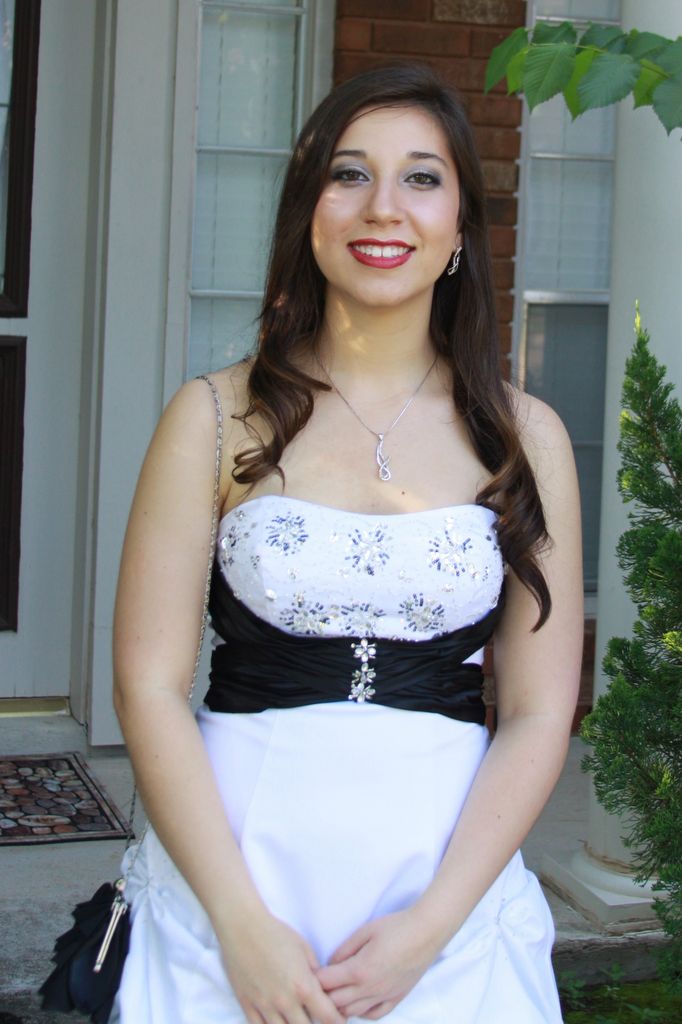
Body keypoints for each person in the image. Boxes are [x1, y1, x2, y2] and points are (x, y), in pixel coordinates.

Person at [111, 64, 583, 1024]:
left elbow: (539, 713)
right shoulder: (213, 418)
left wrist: (433, 928)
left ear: (461, 224)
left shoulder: (525, 437)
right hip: (236, 876)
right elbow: (149, 687)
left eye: (422, 178)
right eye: (349, 173)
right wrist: (237, 923)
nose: (383, 208)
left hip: (441, 890)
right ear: (308, 210)